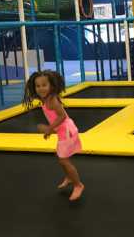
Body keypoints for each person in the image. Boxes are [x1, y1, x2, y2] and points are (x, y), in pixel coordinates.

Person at [22, 70, 85, 201]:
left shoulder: (52, 100)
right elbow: (56, 118)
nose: (41, 88)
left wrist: (49, 129)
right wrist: (51, 131)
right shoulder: (44, 99)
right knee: (61, 157)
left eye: (44, 85)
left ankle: (78, 185)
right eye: (37, 86)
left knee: (64, 160)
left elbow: (62, 116)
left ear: (51, 85)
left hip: (67, 131)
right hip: (63, 131)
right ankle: (69, 176)